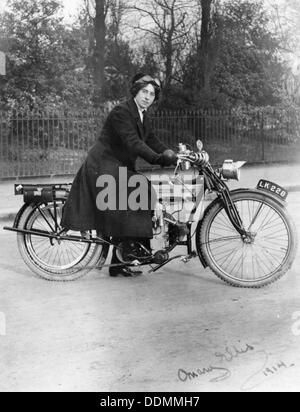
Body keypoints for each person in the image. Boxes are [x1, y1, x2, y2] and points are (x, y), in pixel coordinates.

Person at [61, 73, 177, 277]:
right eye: (144, 92)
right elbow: (134, 142)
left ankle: (120, 260)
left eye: (152, 93)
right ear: (136, 91)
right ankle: (130, 251)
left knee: (136, 195)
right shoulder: (122, 112)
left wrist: (174, 155)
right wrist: (158, 159)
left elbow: (152, 140)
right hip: (102, 165)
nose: (148, 97)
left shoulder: (143, 115)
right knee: (140, 189)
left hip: (118, 166)